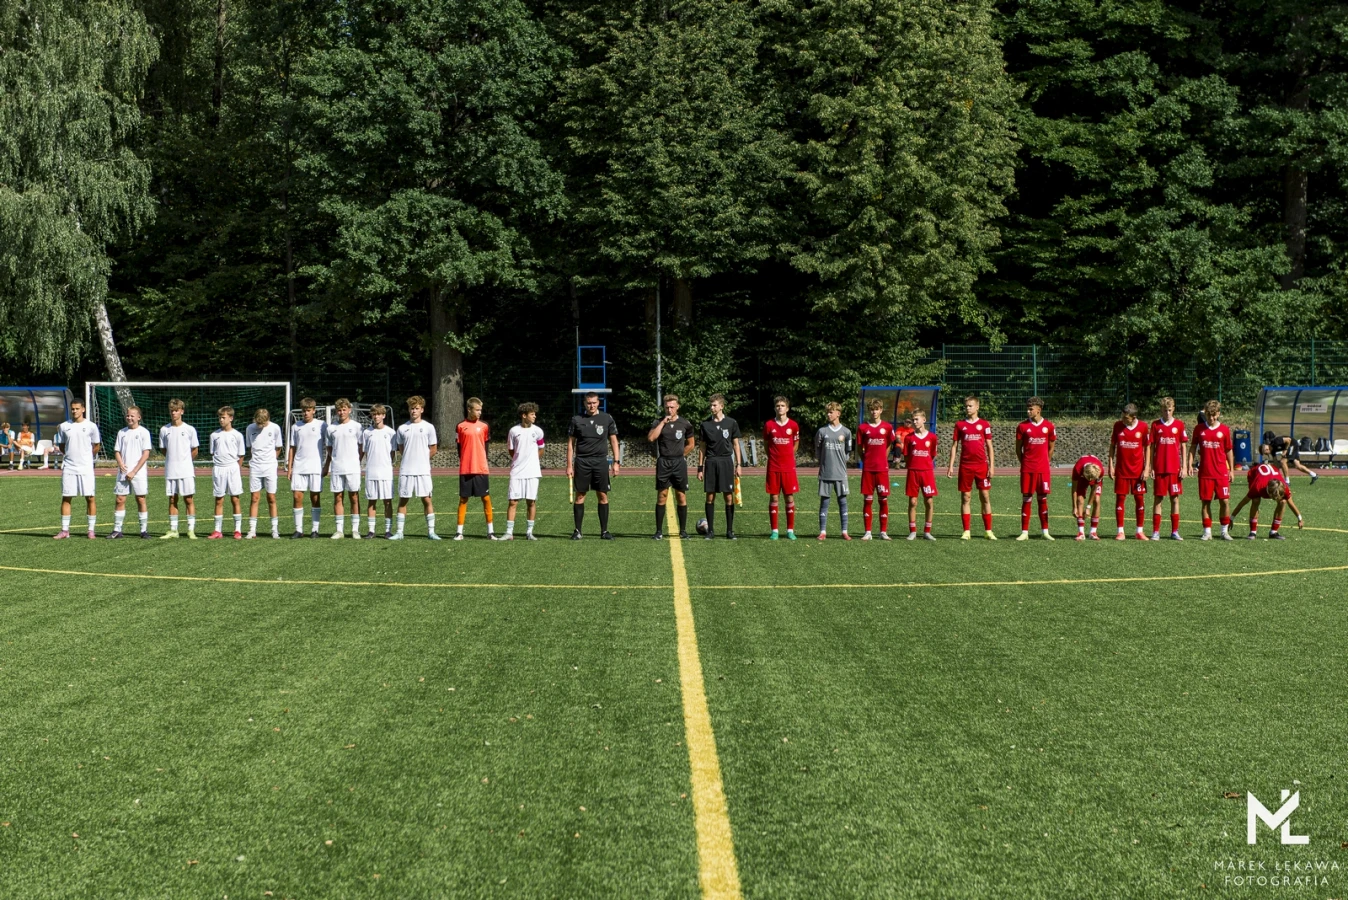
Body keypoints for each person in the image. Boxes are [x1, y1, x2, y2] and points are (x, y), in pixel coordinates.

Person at [567, 391, 620, 540]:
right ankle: (578, 531)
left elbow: (614, 441)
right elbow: (571, 444)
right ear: (584, 403)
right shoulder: (577, 419)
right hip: (582, 462)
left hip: (600, 462)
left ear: (598, 403)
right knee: (580, 495)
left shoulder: (607, 418)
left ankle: (604, 531)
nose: (591, 405)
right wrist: (569, 465)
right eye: (589, 403)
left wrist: (616, 462)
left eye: (594, 403)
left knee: (602, 495)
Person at [947, 395, 996, 540]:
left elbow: (989, 446)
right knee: (965, 497)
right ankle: (966, 531)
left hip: (981, 466)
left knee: (985, 496)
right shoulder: (960, 425)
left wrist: (991, 466)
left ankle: (988, 531)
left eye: (970, 406)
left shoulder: (984, 424)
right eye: (966, 406)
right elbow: (954, 446)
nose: (967, 408)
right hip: (965, 466)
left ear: (977, 407)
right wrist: (951, 466)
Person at [392, 395, 439, 540]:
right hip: (406, 470)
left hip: (423, 471)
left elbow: (433, 449)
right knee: (403, 500)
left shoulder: (429, 427)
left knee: (427, 500)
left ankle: (431, 532)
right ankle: (399, 532)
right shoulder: (402, 428)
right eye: (412, 408)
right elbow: (401, 449)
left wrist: (422, 460)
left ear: (422, 410)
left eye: (416, 408)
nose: (414, 411)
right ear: (409, 410)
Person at [648, 394, 695, 540]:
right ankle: (658, 531)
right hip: (664, 463)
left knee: (681, 495)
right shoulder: (658, 422)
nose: (669, 410)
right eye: (667, 407)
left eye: (672, 407)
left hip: (679, 463)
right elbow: (651, 438)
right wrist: (663, 423)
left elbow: (691, 444)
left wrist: (680, 455)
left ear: (677, 407)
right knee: (662, 496)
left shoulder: (685, 424)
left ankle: (683, 531)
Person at [53, 400, 101, 539]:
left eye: (77, 408)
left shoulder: (91, 426)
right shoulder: (64, 426)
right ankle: (65, 530)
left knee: (90, 497)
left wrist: (86, 457)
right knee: (66, 497)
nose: (74, 411)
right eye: (73, 409)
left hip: (86, 467)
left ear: (83, 409)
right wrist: (70, 456)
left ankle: (91, 530)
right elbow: (62, 446)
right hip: (69, 467)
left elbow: (96, 446)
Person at [697, 393, 742, 540]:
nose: (712, 407)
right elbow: (702, 447)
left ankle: (729, 531)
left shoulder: (731, 423)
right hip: (711, 462)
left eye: (714, 405)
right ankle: (710, 531)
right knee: (710, 496)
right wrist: (700, 468)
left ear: (721, 406)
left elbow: (736, 445)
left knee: (728, 496)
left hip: (726, 462)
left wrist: (739, 465)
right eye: (711, 405)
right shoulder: (705, 424)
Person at [1190, 399, 1234, 540]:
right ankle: (1207, 532)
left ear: (1218, 414)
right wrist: (1189, 464)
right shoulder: (1199, 429)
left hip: (1221, 472)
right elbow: (1193, 447)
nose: (1211, 418)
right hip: (1205, 472)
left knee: (1224, 501)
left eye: (1214, 415)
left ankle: (1224, 531)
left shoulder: (1224, 430)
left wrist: (1231, 470)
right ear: (1205, 414)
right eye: (1209, 415)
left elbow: (1228, 450)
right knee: (1206, 502)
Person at [1015, 396, 1056, 541]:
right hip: (1027, 468)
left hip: (1043, 469)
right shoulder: (1022, 426)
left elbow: (1051, 448)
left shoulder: (1049, 426)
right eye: (1027, 408)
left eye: (1031, 409)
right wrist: (1025, 463)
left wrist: (1045, 462)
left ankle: (1045, 531)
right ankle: (1024, 532)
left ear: (1039, 409)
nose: (1028, 411)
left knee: (1042, 499)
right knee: (1026, 499)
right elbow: (1018, 449)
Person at [1232, 459, 1305, 539]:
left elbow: (1291, 503)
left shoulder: (1284, 488)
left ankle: (1274, 532)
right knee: (1255, 500)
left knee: (1283, 502)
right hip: (1254, 474)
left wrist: (1300, 519)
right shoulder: (1257, 487)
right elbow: (1242, 504)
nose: (1275, 499)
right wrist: (1231, 518)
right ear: (1268, 492)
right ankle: (1253, 532)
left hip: (1272, 471)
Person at [1108, 403, 1150, 541]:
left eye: (1126, 418)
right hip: (1121, 470)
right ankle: (1120, 531)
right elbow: (1112, 446)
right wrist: (1110, 465)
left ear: (1134, 417)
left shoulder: (1143, 427)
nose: (1123, 419)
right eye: (1122, 416)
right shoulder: (1117, 426)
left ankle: (1139, 531)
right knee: (1120, 498)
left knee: (1139, 499)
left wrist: (1147, 468)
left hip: (1138, 471)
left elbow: (1147, 447)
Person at [456, 397, 496, 540]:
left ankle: (490, 532)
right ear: (469, 409)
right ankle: (459, 532)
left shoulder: (484, 426)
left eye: (480, 410)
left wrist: (482, 461)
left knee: (486, 498)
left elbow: (486, 447)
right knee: (463, 499)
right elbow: (459, 447)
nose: (480, 412)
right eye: (477, 410)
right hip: (466, 468)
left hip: (481, 468)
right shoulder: (460, 426)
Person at [159, 398, 200, 539]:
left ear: (182, 411)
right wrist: (173, 460)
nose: (173, 413)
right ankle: (173, 530)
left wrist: (185, 461)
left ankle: (191, 530)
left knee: (188, 499)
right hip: (171, 471)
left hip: (186, 471)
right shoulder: (164, 430)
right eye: (171, 411)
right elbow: (164, 449)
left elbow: (195, 450)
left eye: (176, 410)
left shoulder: (189, 429)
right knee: (172, 499)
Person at [857, 398, 897, 541]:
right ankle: (868, 532)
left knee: (883, 500)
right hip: (868, 469)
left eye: (877, 409)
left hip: (882, 469)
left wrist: (883, 459)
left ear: (881, 410)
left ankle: (883, 532)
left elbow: (889, 444)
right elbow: (859, 448)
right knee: (868, 500)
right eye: (872, 409)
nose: (874, 412)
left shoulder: (887, 427)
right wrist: (866, 460)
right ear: (869, 411)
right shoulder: (863, 428)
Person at [109, 405, 152, 539]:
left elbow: (146, 454)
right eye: (128, 415)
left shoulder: (144, 432)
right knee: (120, 499)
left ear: (139, 417)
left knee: (140, 499)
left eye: (132, 416)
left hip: (138, 472)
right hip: (123, 471)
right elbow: (117, 451)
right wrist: (121, 463)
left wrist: (134, 471)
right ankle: (117, 530)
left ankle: (143, 531)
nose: (129, 418)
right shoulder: (122, 432)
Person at [324, 398, 364, 539]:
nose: (341, 412)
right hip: (337, 467)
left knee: (354, 497)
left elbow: (361, 446)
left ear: (349, 410)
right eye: (339, 410)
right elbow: (329, 447)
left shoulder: (357, 426)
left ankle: (355, 530)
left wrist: (356, 460)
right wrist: (333, 459)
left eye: (344, 410)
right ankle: (339, 530)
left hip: (352, 468)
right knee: (338, 497)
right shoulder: (331, 428)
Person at [504, 402, 544, 541]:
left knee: (531, 502)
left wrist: (532, 461)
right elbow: (511, 450)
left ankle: (529, 532)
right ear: (524, 415)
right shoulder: (513, 431)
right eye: (532, 414)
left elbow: (541, 449)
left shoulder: (538, 431)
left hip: (533, 472)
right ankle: (509, 533)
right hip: (517, 472)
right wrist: (520, 460)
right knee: (513, 502)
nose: (535, 416)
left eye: (535, 414)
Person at [1149, 397, 1187, 541]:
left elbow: (1183, 446)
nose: (1167, 413)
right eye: (1165, 410)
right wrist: (1151, 466)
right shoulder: (1155, 425)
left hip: (1174, 469)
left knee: (1174, 499)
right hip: (1160, 468)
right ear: (1161, 410)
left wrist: (1184, 466)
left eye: (1169, 410)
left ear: (1173, 409)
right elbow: (1151, 447)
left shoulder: (1179, 425)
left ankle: (1175, 531)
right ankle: (1155, 532)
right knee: (1158, 499)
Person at [287, 397, 325, 538]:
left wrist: (327, 464)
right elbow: (292, 447)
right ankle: (299, 530)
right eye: (304, 410)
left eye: (308, 410)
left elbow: (329, 445)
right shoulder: (296, 426)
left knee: (315, 497)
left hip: (315, 467)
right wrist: (289, 467)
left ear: (314, 411)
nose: (306, 413)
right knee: (297, 496)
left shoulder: (322, 425)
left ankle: (315, 530)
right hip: (299, 466)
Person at [764, 396, 801, 540]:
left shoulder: (793, 425)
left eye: (782, 405)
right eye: (778, 406)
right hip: (773, 466)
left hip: (788, 467)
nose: (780, 408)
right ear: (775, 408)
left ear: (787, 408)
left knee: (789, 497)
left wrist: (788, 457)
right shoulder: (769, 425)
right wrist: (774, 457)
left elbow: (796, 444)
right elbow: (766, 445)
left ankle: (790, 530)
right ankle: (774, 531)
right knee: (774, 497)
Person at [815, 402, 853, 541]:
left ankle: (844, 531)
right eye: (827, 412)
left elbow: (848, 451)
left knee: (842, 501)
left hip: (840, 473)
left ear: (838, 413)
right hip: (826, 473)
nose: (828, 414)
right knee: (824, 501)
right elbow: (817, 450)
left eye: (831, 412)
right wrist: (824, 462)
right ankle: (822, 531)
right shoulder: (822, 431)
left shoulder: (846, 432)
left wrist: (840, 462)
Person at [245, 408, 284, 539]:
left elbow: (278, 447)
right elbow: (250, 447)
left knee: (271, 497)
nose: (260, 426)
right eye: (258, 423)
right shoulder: (250, 428)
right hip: (255, 467)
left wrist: (271, 460)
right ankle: (252, 530)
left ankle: (274, 530)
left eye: (263, 423)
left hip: (270, 468)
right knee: (254, 498)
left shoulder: (275, 428)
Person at [209, 406, 246, 539]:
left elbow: (241, 455)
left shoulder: (237, 435)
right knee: (219, 500)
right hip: (219, 469)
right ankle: (217, 530)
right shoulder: (214, 435)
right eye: (220, 417)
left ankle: (237, 530)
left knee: (235, 499)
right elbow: (213, 452)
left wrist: (236, 469)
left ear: (231, 418)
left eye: (223, 417)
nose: (221, 420)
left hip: (232, 468)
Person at [362, 404, 398, 539]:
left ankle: (388, 530)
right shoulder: (367, 432)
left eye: (378, 414)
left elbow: (392, 453)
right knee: (371, 501)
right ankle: (371, 530)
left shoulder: (391, 432)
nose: (376, 417)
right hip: (371, 471)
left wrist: (386, 464)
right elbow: (366, 452)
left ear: (383, 415)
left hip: (386, 472)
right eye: (374, 414)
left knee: (387, 501)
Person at [902, 409, 938, 540]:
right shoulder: (909, 438)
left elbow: (932, 454)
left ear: (924, 419)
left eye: (917, 419)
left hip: (927, 472)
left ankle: (927, 531)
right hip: (913, 472)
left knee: (929, 501)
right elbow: (906, 456)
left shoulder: (932, 437)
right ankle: (913, 531)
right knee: (913, 501)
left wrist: (924, 464)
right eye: (913, 420)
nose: (915, 422)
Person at [1071, 455, 1105, 540]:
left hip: (1093, 476)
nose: (1090, 481)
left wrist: (1088, 507)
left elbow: (1094, 490)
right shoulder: (1077, 469)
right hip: (1082, 479)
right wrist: (1074, 507)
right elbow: (1074, 489)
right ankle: (1081, 533)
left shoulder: (1100, 471)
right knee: (1080, 500)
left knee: (1097, 500)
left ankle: (1093, 532)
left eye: (1091, 479)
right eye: (1088, 479)